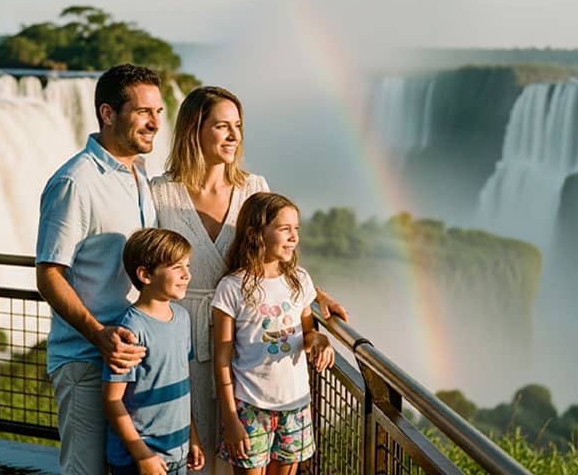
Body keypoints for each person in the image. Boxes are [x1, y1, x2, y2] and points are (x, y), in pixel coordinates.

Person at [149, 86, 348, 472]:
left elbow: (276, 259)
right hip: (181, 333)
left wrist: (316, 294)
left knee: (237, 451)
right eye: (221, 126)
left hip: (245, 340)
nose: (234, 136)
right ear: (194, 129)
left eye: (237, 126)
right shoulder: (162, 193)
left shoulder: (253, 187)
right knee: (189, 450)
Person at [36, 63, 164, 475]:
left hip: (132, 360)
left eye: (159, 112)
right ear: (108, 114)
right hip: (87, 360)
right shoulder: (76, 182)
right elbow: (49, 274)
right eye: (144, 111)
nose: (155, 122)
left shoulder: (139, 174)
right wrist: (98, 334)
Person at [212, 192, 335, 475]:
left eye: (296, 230)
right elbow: (222, 359)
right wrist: (230, 417)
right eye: (284, 229)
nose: (294, 237)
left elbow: (308, 333)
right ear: (255, 233)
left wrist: (321, 340)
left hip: (296, 404)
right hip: (250, 407)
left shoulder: (300, 280)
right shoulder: (232, 288)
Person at [103, 228, 206, 475]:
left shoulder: (182, 318)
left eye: (187, 266)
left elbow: (181, 384)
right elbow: (112, 399)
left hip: (177, 451)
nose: (186, 275)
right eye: (176, 267)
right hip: (139, 459)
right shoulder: (130, 329)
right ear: (145, 274)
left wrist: (192, 437)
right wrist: (142, 454)